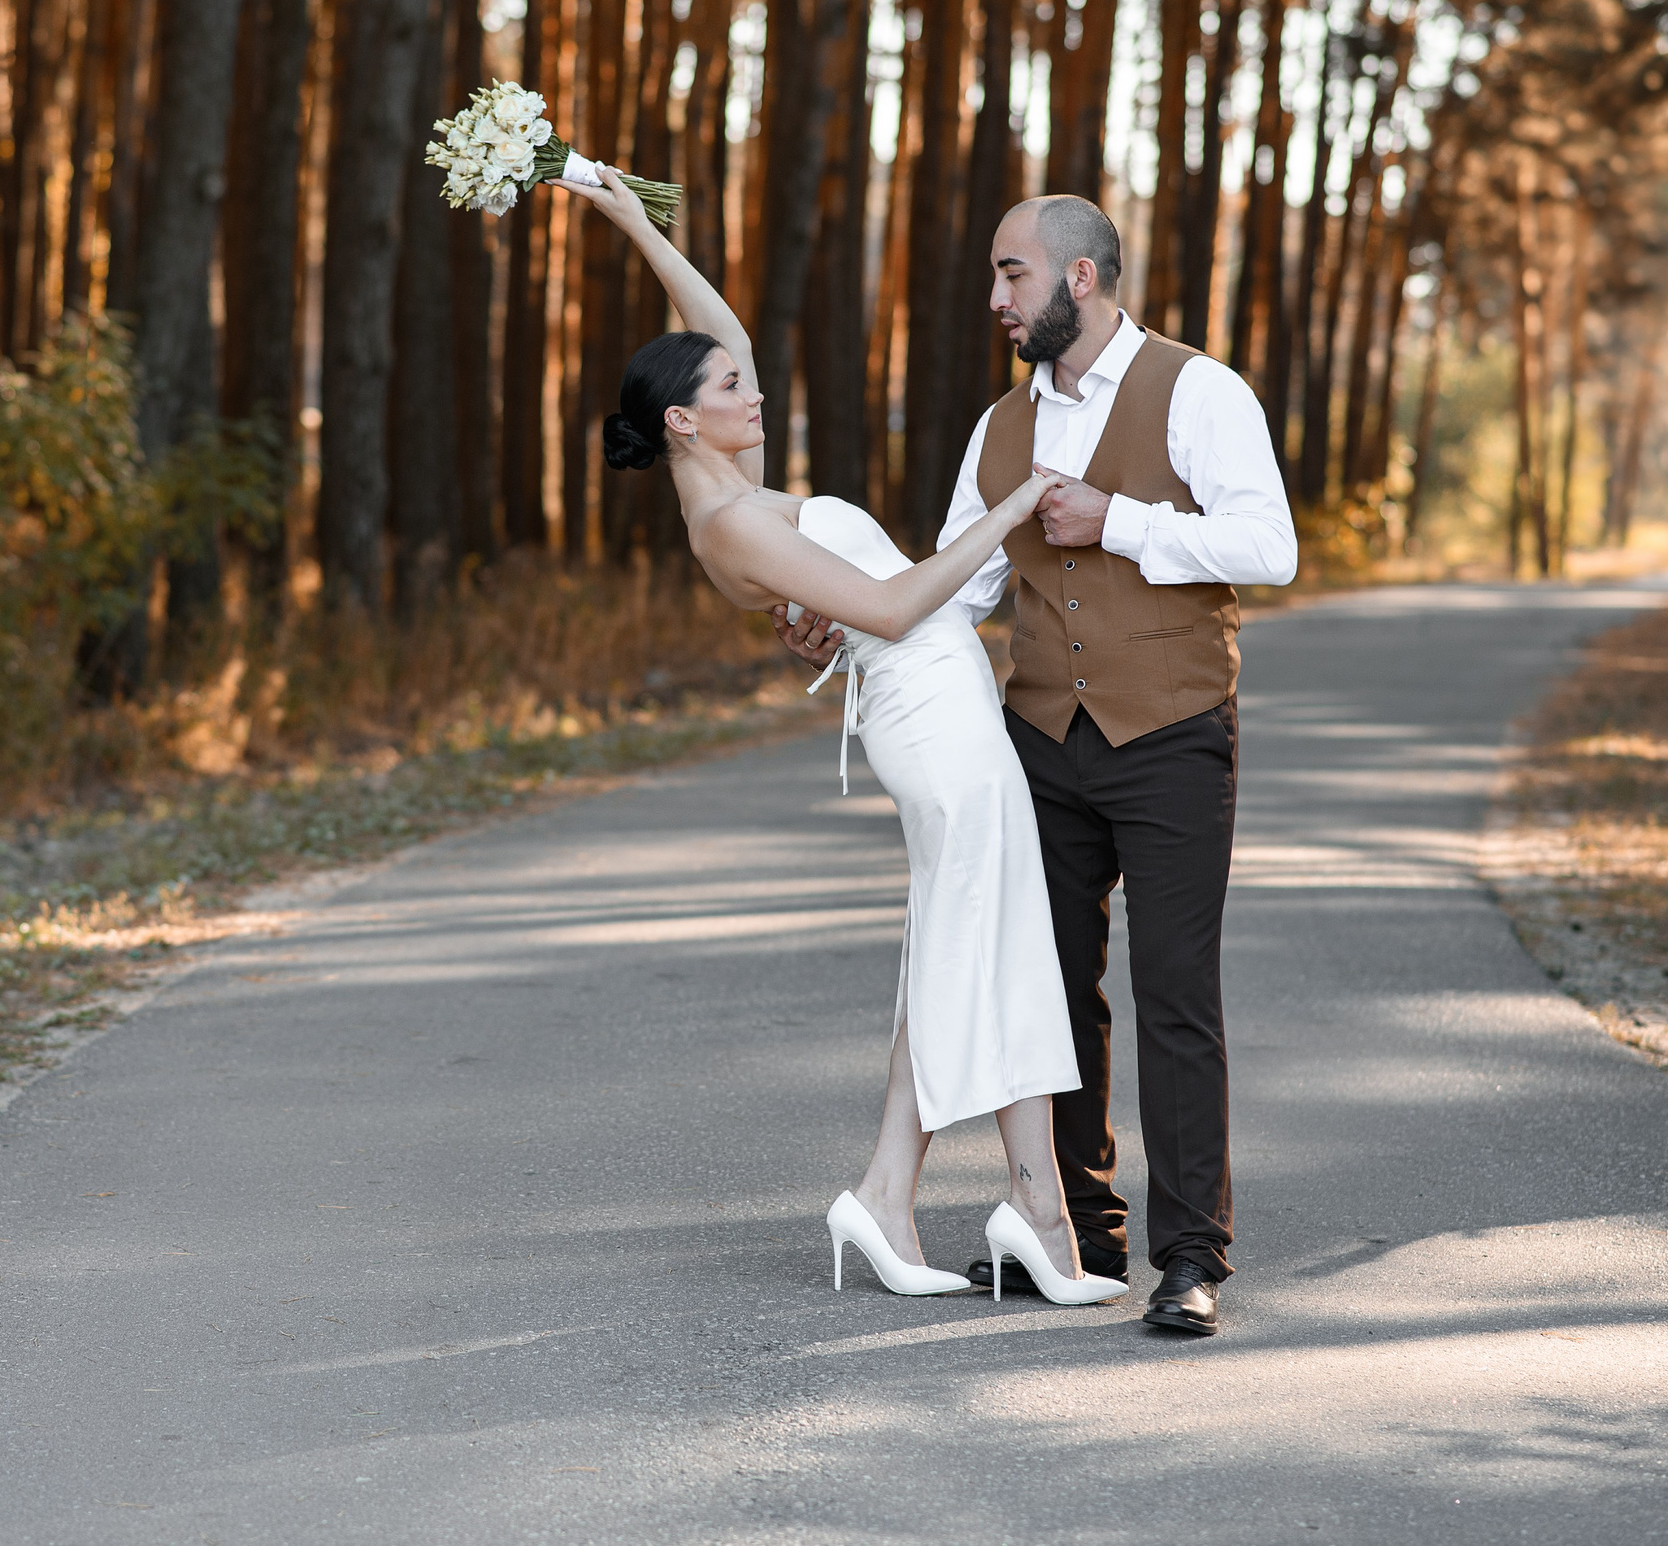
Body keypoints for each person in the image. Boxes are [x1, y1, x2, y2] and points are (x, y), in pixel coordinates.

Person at [552, 168, 1124, 1307]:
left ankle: (924, 1199)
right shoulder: (728, 525)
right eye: (730, 389)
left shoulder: (738, 481)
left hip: (948, 704)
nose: (752, 391)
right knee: (988, 935)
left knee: (979, 936)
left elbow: (719, 329)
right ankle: (1017, 1209)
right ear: (683, 420)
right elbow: (897, 608)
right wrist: (1008, 515)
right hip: (927, 716)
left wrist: (626, 219)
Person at [778, 195, 1296, 1335]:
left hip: (1170, 731)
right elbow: (956, 587)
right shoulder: (996, 428)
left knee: (1173, 995)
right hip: (1039, 742)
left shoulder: (1196, 391)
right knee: (1051, 989)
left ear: (1081, 278)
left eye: (1012, 276)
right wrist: (847, 622)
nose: (997, 301)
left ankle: (1191, 1256)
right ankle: (1080, 1230)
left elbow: (1269, 543)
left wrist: (1118, 521)